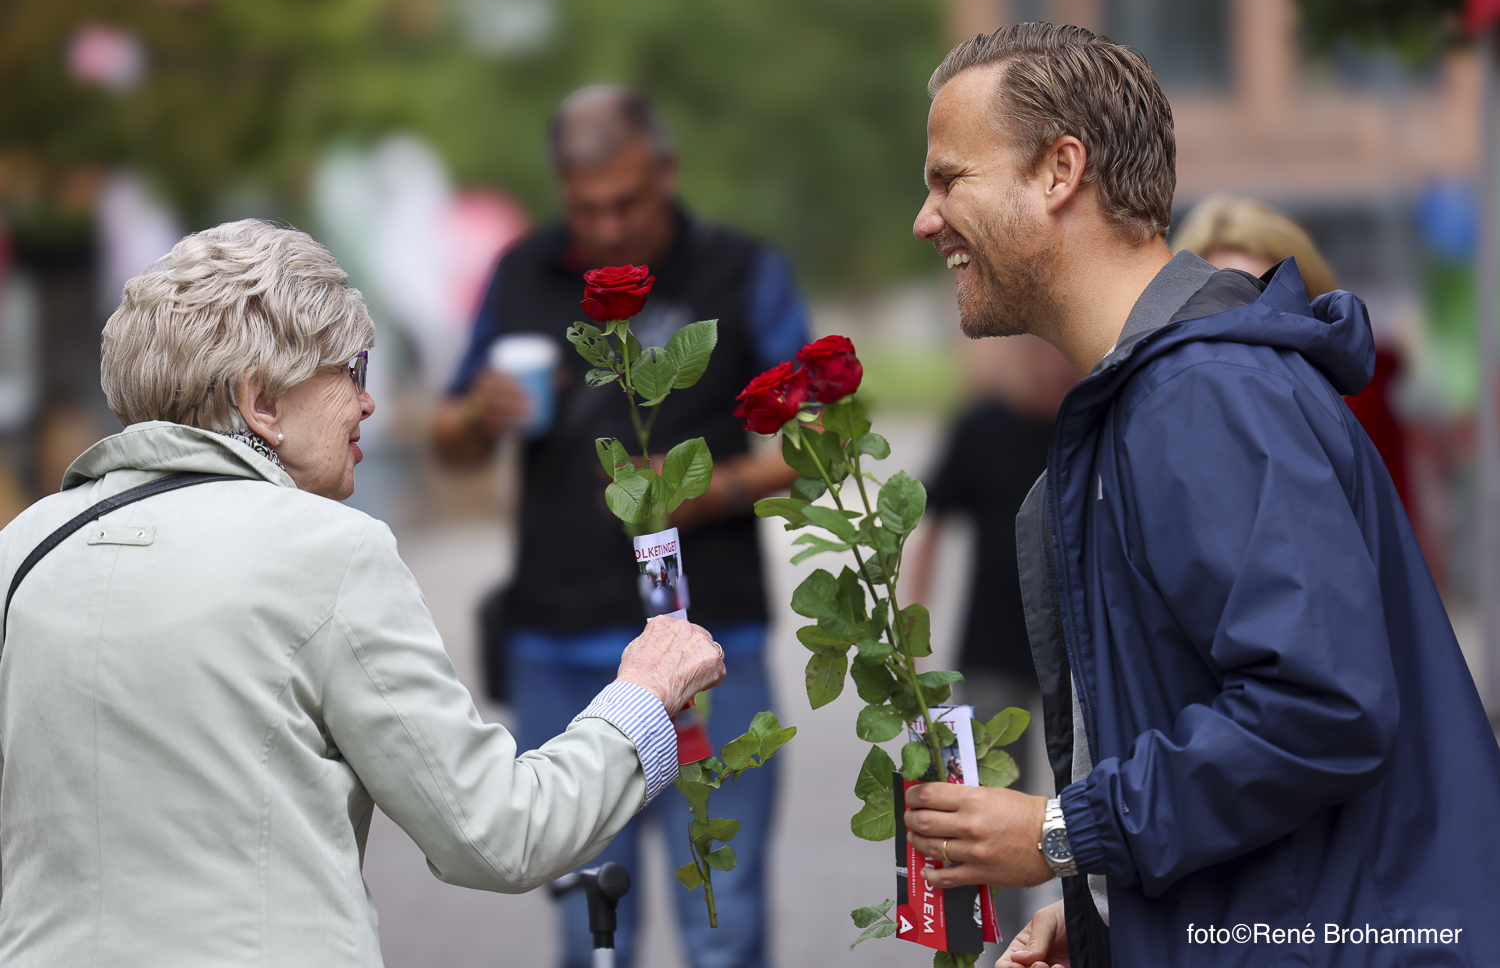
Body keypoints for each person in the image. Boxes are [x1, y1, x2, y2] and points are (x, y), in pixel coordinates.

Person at [901, 23, 1500, 968]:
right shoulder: (1156, 395)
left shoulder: (1201, 396)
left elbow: (1321, 706)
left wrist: (1065, 832)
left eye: (949, 180)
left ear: (1061, 171)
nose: (925, 220)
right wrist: (1117, 910)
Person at [0, 220, 726, 967]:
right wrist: (642, 699)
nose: (368, 404)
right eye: (352, 370)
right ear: (262, 404)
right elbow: (498, 834)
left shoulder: (24, 550)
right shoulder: (326, 549)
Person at [432, 87, 807, 968]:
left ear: (667, 171)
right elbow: (447, 439)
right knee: (585, 924)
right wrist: (480, 415)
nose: (606, 229)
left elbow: (819, 438)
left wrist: (702, 489)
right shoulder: (521, 270)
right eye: (585, 207)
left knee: (726, 916)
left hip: (711, 646)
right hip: (557, 643)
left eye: (627, 202)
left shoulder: (742, 270)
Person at [904, 333, 1076, 942]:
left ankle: (1077, 933)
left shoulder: (1083, 427)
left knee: (1078, 801)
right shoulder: (982, 427)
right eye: (1043, 359)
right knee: (988, 802)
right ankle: (1001, 941)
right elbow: (932, 525)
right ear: (1021, 359)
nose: (1054, 373)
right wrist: (912, 632)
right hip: (993, 648)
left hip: (1076, 658)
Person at [1173, 195, 1415, 519]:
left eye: (1268, 308)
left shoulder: (1353, 420)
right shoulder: (1161, 424)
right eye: (1219, 309)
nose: (1246, 330)